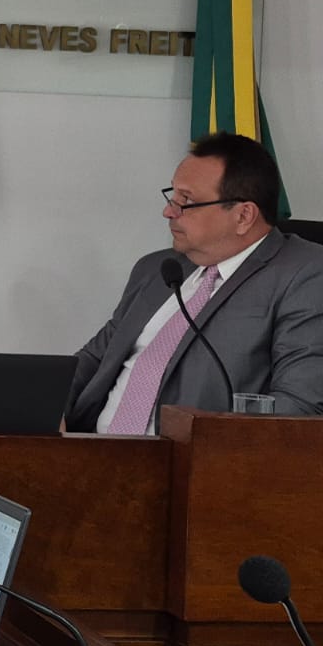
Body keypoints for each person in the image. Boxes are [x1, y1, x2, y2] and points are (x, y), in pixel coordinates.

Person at [67, 132, 323, 433]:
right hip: (91, 451)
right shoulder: (157, 269)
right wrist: (48, 406)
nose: (168, 211)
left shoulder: (305, 274)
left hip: (196, 464)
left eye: (185, 201)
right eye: (172, 196)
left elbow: (300, 404)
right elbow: (97, 357)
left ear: (243, 215)